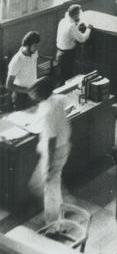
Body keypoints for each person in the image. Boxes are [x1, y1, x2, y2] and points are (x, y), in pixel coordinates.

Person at [30, 75, 72, 225]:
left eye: (34, 91)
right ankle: (66, 206)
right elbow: (67, 104)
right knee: (43, 184)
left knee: (49, 187)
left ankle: (54, 225)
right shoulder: (58, 99)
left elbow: (51, 141)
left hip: (54, 152)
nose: (31, 94)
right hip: (65, 146)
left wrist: (48, 165)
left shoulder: (48, 112)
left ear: (42, 93)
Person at [55, 4, 91, 83]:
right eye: (79, 14)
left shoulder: (62, 21)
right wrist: (88, 29)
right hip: (67, 56)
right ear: (76, 15)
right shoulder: (71, 26)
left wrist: (77, 26)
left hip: (59, 53)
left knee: (61, 78)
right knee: (68, 79)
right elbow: (82, 39)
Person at [7, 31, 40, 109]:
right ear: (27, 46)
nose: (37, 48)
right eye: (35, 46)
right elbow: (8, 85)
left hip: (33, 93)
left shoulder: (34, 53)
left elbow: (34, 69)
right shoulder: (16, 61)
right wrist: (28, 91)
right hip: (20, 97)